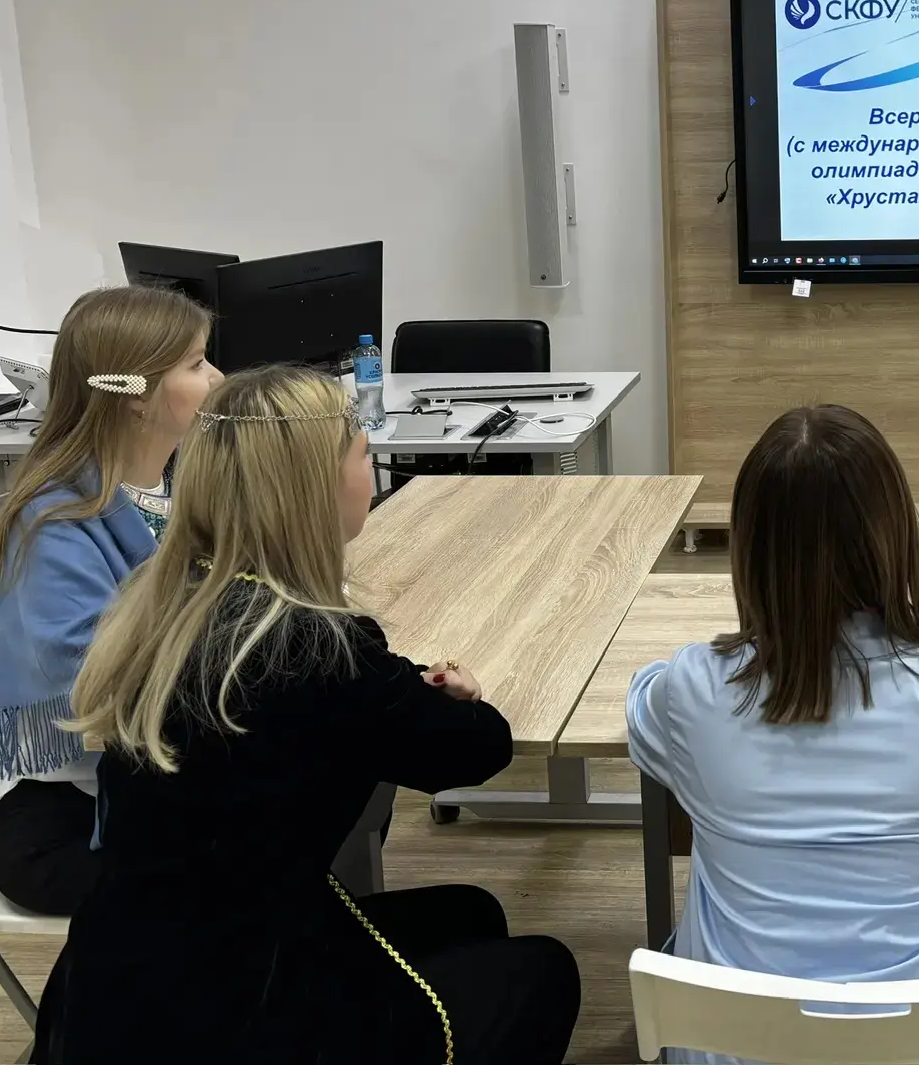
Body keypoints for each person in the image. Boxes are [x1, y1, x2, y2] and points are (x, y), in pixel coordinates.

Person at [31, 366, 579, 1065]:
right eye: (362, 454)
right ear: (317, 486)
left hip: (112, 988)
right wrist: (464, 697)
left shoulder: (167, 603)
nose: (371, 472)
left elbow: (348, 705)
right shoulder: (315, 646)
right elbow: (478, 751)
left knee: (473, 913)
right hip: (236, 1018)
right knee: (544, 972)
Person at [627, 406, 919, 1008]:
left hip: (736, 1044)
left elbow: (643, 707)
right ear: (899, 534)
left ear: (748, 548)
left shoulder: (691, 691)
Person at [0, 284, 218, 916]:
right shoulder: (55, 518)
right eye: (196, 363)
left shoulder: (173, 484)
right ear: (134, 395)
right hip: (62, 820)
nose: (217, 377)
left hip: (145, 773)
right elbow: (97, 678)